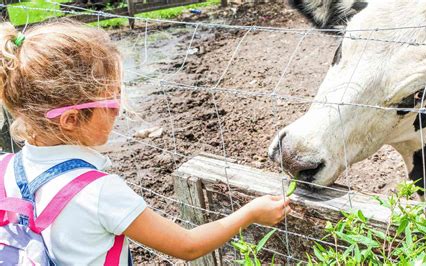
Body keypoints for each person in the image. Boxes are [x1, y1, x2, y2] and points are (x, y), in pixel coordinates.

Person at [0, 21, 291, 264]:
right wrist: (251, 213)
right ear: (71, 120)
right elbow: (188, 245)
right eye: (112, 102)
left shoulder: (4, 169)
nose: (120, 110)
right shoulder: (99, 192)